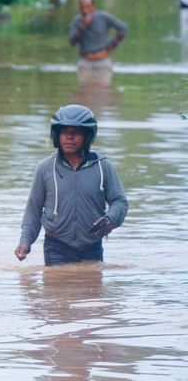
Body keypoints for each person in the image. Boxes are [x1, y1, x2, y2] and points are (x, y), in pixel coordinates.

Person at [15, 104, 128, 266]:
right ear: (56, 135)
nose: (69, 137)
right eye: (64, 132)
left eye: (76, 132)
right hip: (56, 246)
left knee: (91, 290)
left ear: (87, 136)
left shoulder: (104, 167)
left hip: (92, 245)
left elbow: (120, 202)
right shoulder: (45, 168)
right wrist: (25, 241)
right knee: (59, 288)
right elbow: (33, 209)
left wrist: (111, 219)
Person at [68, 0, 127, 83]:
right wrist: (81, 27)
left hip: (103, 62)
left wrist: (112, 45)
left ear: (93, 7)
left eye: (88, 7)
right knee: (84, 92)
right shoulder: (77, 21)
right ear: (79, 8)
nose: (85, 10)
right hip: (85, 62)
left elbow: (123, 28)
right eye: (82, 8)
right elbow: (72, 42)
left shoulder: (103, 17)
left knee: (103, 91)